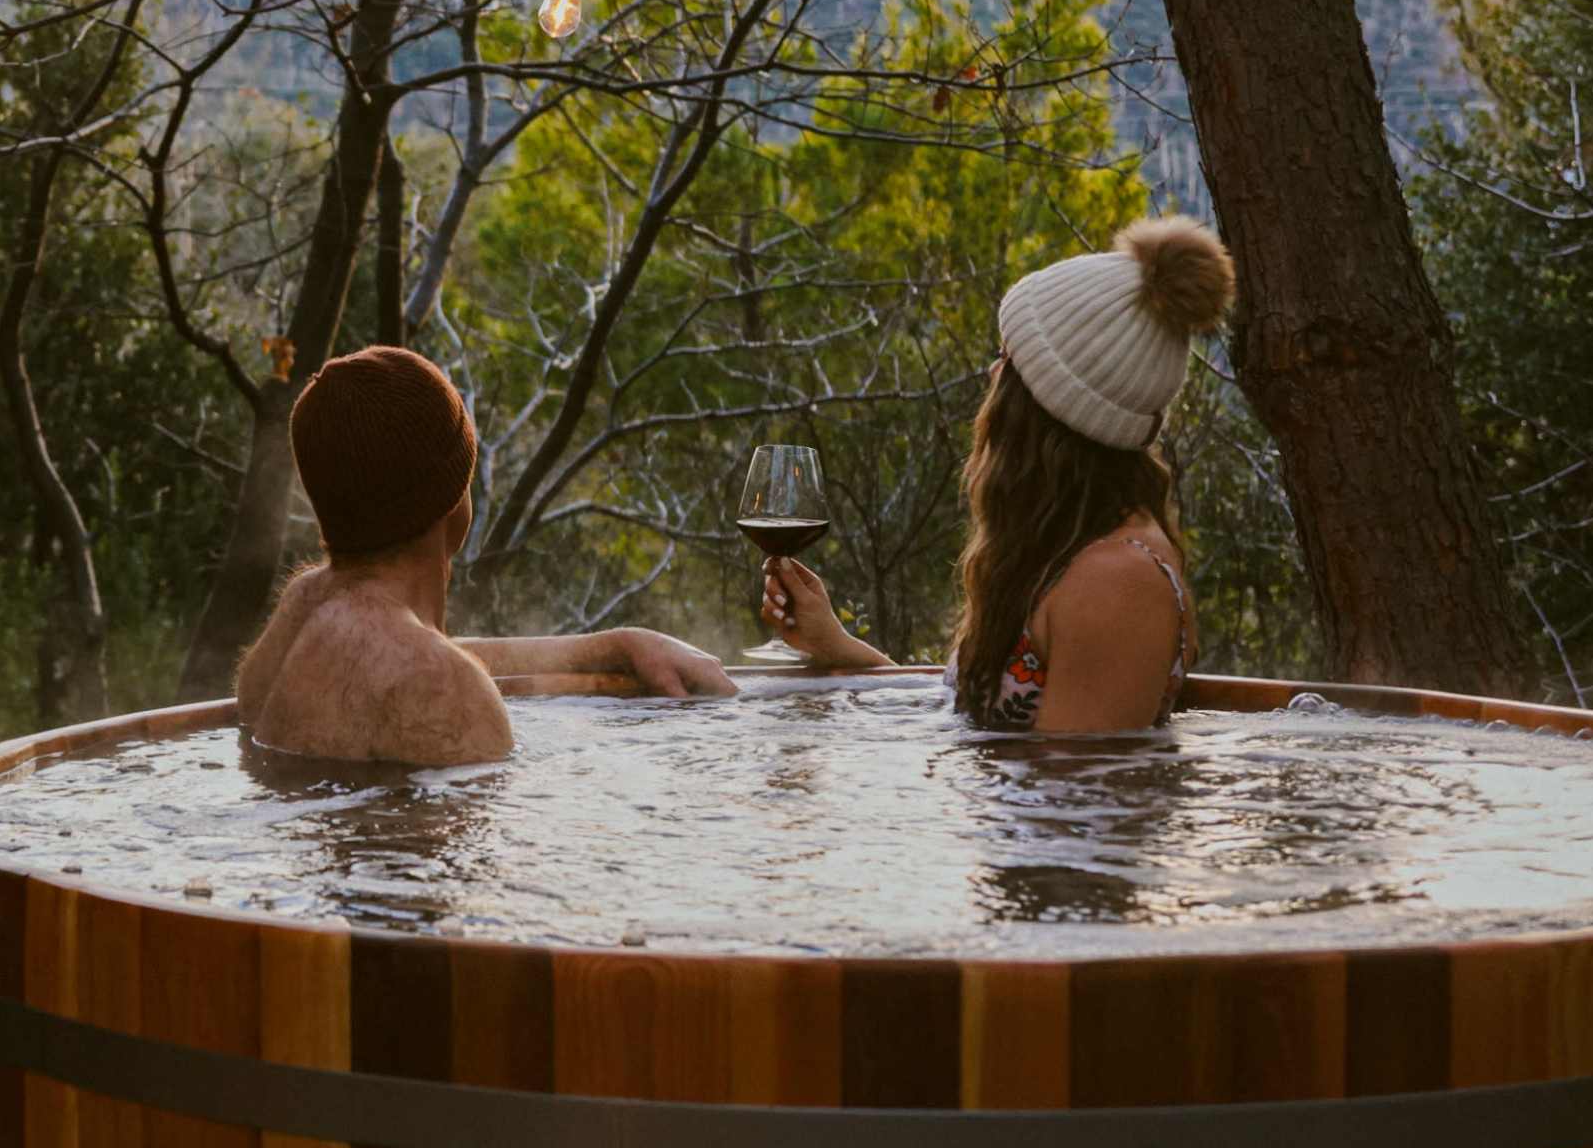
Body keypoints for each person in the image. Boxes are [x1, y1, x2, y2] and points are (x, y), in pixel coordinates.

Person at [757, 216, 1234, 734]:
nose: (992, 372)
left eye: (1007, 357)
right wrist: (837, 646)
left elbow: (1076, 803)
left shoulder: (1117, 582)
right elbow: (982, 730)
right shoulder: (1074, 550)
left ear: (1050, 406)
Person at [236, 344, 732, 763]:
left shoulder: (305, 613)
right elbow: (471, 874)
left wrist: (620, 646)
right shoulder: (447, 692)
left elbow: (426, 659)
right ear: (451, 499)